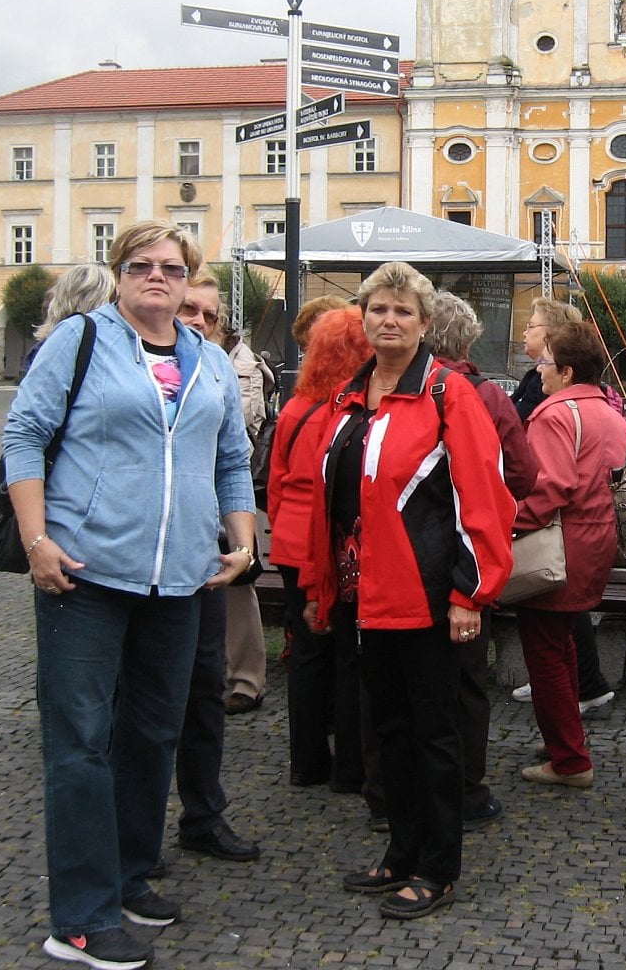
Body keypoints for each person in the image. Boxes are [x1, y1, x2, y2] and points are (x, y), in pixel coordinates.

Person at [4, 221, 255, 970]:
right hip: (84, 573)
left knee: (153, 736)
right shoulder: (80, 341)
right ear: (119, 275)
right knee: (80, 743)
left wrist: (241, 543)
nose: (157, 276)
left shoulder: (207, 360)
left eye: (172, 268)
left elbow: (232, 459)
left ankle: (129, 876)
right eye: (141, 265)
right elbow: (23, 436)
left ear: (189, 280)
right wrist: (36, 539)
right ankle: (79, 919)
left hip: (178, 579)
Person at [305, 262, 514, 920]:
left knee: (434, 734)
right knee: (387, 730)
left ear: (426, 324)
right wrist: (322, 586)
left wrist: (468, 596)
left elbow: (484, 500)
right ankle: (400, 850)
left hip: (427, 597)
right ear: (362, 318)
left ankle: (438, 866)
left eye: (402, 311)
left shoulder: (449, 394)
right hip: (367, 596)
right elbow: (334, 502)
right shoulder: (351, 397)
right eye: (377, 309)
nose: (388, 320)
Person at [411, 288, 539, 827]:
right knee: (466, 676)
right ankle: (465, 786)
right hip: (469, 553)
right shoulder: (486, 395)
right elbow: (525, 474)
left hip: (405, 553)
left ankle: (393, 785)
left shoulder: (396, 390)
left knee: (400, 674)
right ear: (467, 339)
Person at [161, 271, 261, 865]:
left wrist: (243, 546)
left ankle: (203, 813)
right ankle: (135, 834)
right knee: (146, 707)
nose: (198, 320)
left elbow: (233, 461)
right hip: (132, 567)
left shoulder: (218, 372)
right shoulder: (128, 366)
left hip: (200, 561)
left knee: (204, 698)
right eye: (189, 308)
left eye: (210, 314)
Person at [514, 320, 626, 788]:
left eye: (543, 362)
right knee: (559, 644)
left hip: (559, 546)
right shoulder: (610, 412)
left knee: (546, 653)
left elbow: (550, 489)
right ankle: (564, 735)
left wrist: (506, 522)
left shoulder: (554, 415)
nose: (537, 370)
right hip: (597, 542)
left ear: (564, 370)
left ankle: (569, 758)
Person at [269, 307, 372, 791]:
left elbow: (274, 482)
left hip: (291, 540)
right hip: (335, 540)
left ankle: (305, 762)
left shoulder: (294, 408)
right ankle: (349, 763)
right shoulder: (349, 412)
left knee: (305, 650)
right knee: (349, 651)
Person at [219, 296, 273, 717]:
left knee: (239, 584)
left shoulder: (242, 365)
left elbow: (245, 425)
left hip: (228, 487)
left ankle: (246, 679)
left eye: (206, 315)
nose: (196, 321)